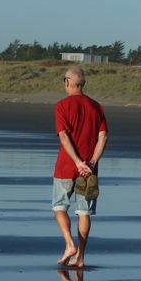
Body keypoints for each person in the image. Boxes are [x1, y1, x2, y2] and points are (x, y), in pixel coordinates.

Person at [52, 67, 108, 267]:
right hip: (89, 170)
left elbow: (63, 135)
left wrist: (77, 162)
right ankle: (81, 257)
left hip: (67, 166)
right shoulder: (96, 106)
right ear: (82, 83)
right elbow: (103, 137)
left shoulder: (62, 105)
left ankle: (69, 244)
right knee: (84, 212)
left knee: (59, 205)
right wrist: (91, 162)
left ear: (67, 82)